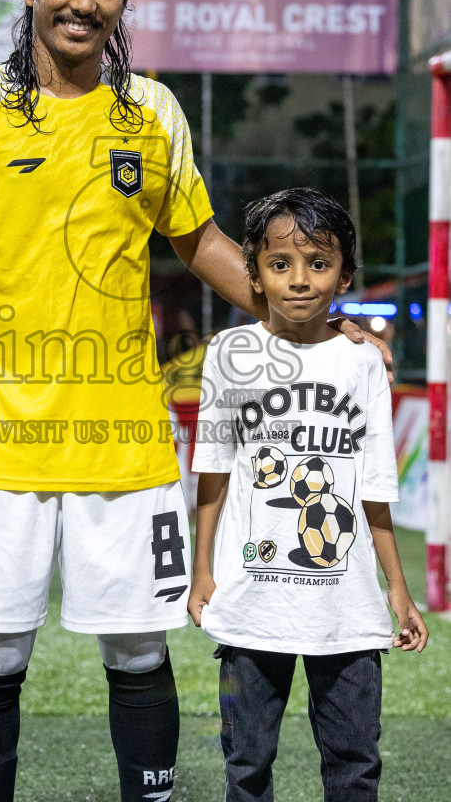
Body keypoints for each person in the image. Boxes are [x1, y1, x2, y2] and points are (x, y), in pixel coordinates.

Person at [0, 0, 392, 802]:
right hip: (2, 437)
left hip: (125, 438)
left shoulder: (151, 112)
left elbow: (197, 241)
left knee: (137, 648)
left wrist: (314, 318)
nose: (83, 0)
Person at [188, 187, 428, 802]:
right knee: (246, 765)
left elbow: (374, 487)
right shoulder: (229, 353)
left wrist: (397, 591)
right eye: (280, 264)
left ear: (344, 273)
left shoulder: (363, 364)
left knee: (354, 765)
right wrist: (201, 570)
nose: (300, 280)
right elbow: (212, 469)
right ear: (255, 272)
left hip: (345, 612)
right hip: (251, 604)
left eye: (318, 264)